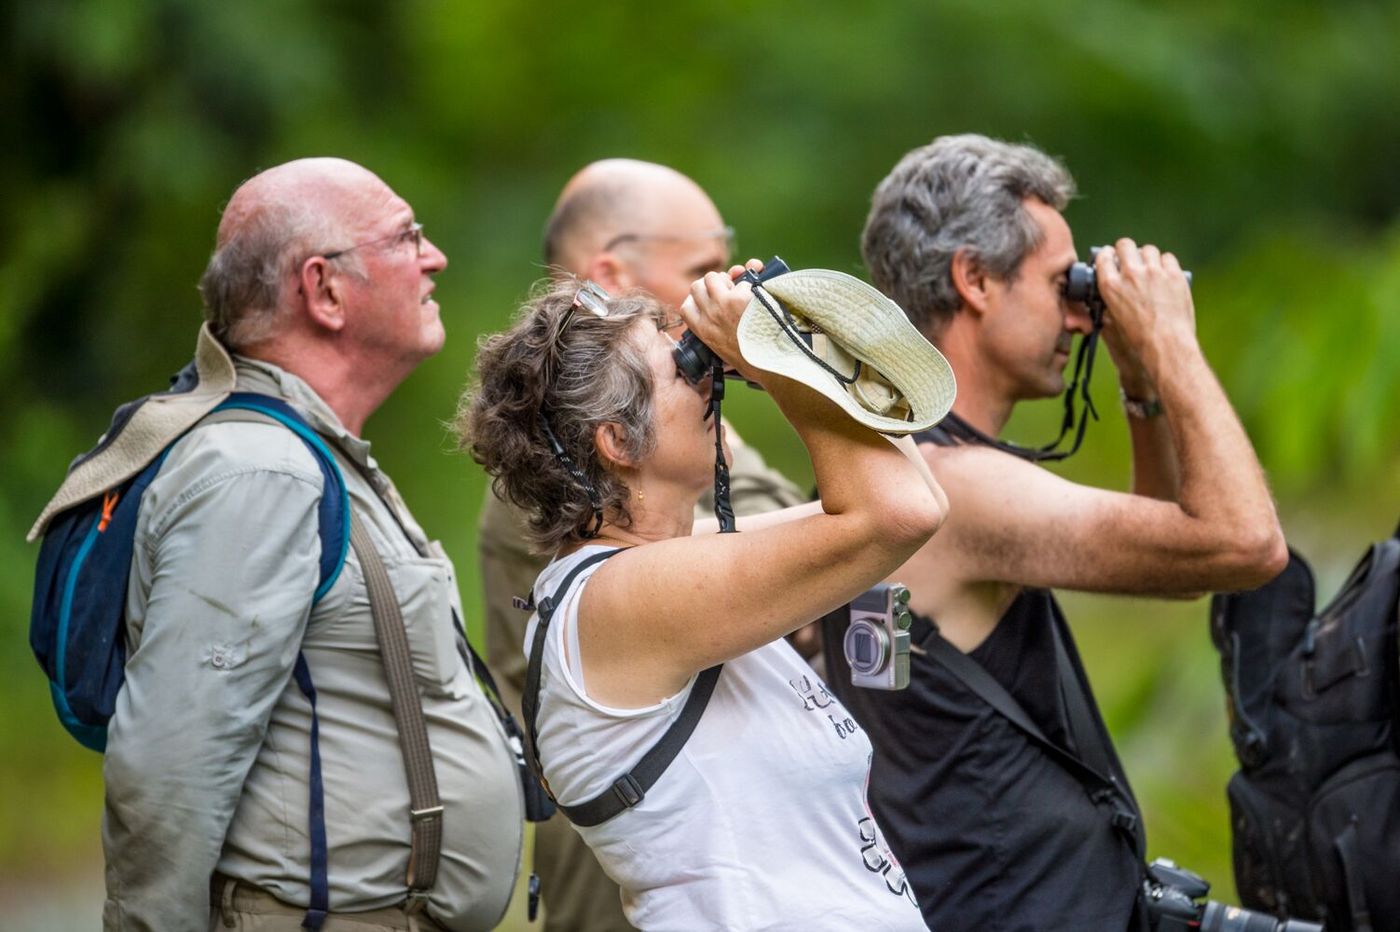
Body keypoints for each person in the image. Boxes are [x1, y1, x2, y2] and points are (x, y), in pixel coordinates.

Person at [830, 134, 1289, 930]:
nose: (1080, 313)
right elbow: (1244, 547)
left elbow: (1173, 561)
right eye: (1060, 282)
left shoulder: (887, 464)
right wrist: (1171, 339)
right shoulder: (961, 492)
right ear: (974, 280)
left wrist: (1140, 383)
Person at [101, 157, 524, 931]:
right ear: (324, 289)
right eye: (408, 237)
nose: (436, 258)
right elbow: (170, 766)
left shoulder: (308, 456)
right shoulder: (258, 473)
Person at [458, 266, 948, 930]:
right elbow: (900, 512)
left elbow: (918, 497)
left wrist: (807, 338)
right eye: (685, 367)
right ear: (618, 440)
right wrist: (772, 360)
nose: (710, 377)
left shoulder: (669, 573)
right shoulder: (616, 601)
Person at [477, 159, 805, 931]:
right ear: (609, 274)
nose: (721, 289)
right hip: (629, 891)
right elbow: (817, 562)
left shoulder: (682, 433)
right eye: (700, 269)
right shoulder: (567, 468)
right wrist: (785, 366)